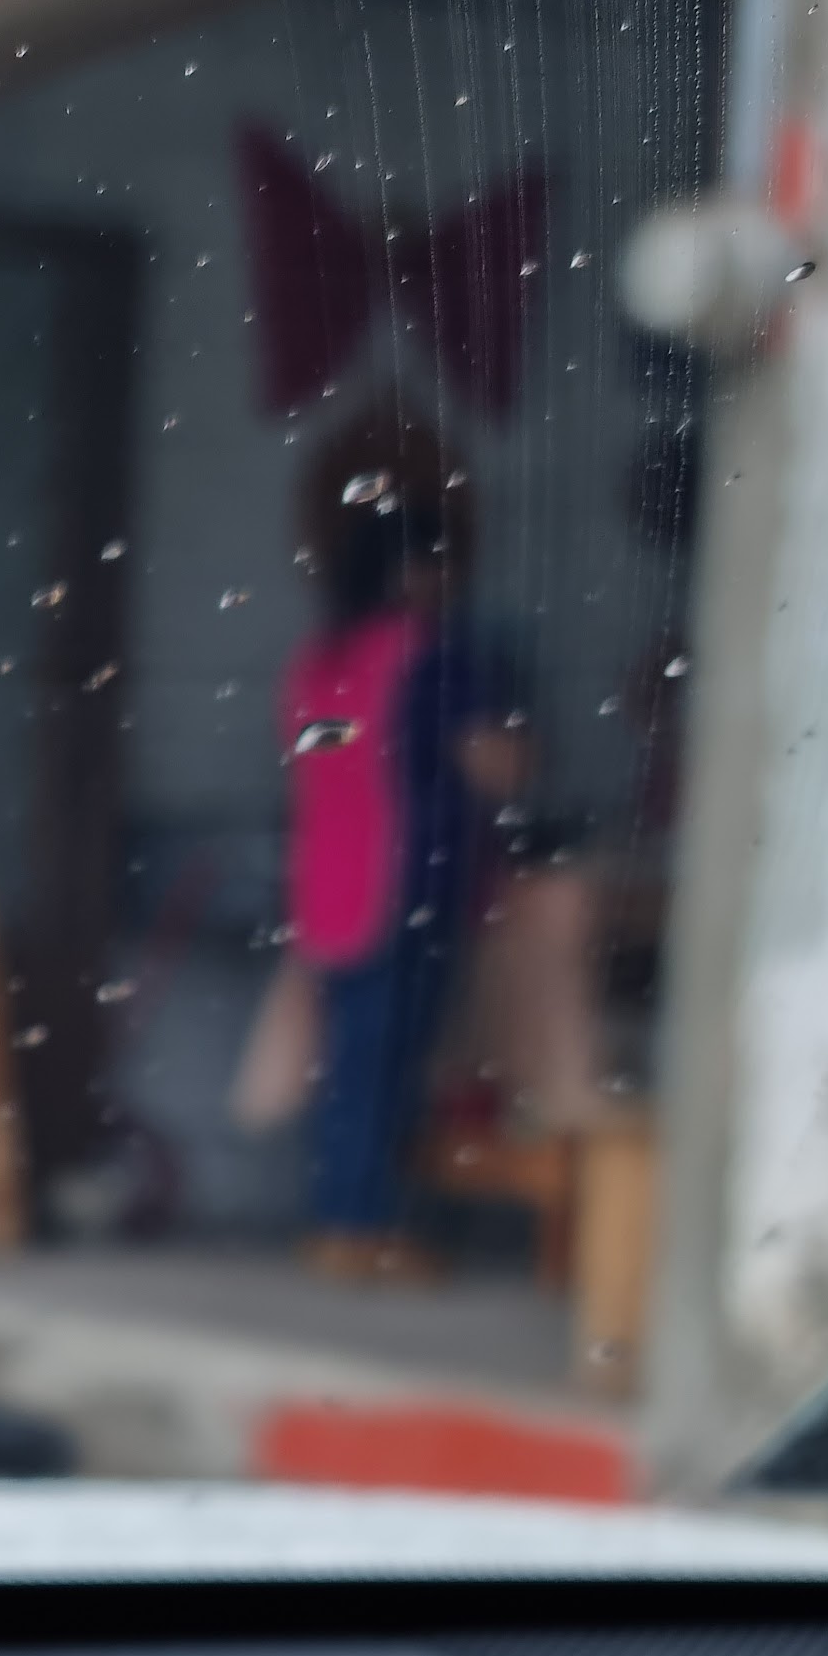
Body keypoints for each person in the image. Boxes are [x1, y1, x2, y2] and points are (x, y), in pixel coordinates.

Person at [275, 418, 523, 1278]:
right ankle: (367, 1227)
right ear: (416, 570)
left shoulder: (322, 660)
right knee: (389, 1066)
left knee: (349, 1063)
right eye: (438, 564)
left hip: (327, 882)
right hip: (407, 880)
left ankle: (335, 1219)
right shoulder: (431, 656)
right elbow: (495, 765)